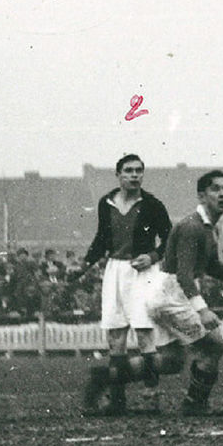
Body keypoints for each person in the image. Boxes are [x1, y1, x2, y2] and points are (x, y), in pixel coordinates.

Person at [143, 169, 223, 416]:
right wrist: (203, 310)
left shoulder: (209, 228)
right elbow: (184, 274)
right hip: (171, 295)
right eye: (215, 189)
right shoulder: (192, 228)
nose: (222, 194)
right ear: (201, 196)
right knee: (214, 346)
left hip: (166, 294)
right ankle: (194, 404)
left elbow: (212, 267)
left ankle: (109, 376)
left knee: (171, 361)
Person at [79, 153, 172, 416]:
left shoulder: (153, 205)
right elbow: (101, 239)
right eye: (129, 171)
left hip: (142, 272)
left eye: (138, 171)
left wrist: (153, 256)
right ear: (118, 175)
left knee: (144, 335)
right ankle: (116, 400)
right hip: (115, 271)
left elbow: (169, 239)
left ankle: (151, 397)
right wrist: (85, 264)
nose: (134, 175)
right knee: (115, 336)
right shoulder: (106, 203)